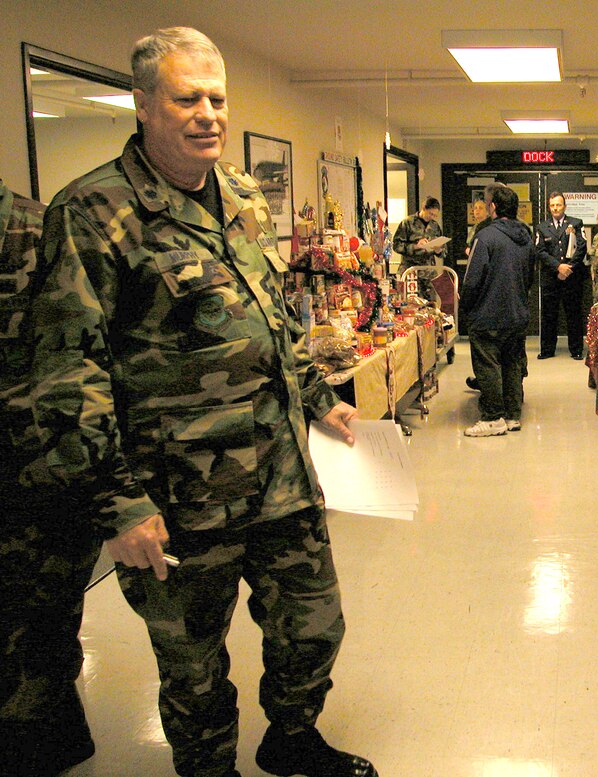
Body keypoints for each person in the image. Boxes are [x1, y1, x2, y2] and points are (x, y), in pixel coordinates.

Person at [28, 27, 376, 777]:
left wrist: (317, 397)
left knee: (314, 624)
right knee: (193, 667)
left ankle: (291, 736)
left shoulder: (243, 195)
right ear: (145, 104)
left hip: (279, 473)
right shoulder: (91, 212)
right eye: (188, 98)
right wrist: (115, 504)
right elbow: (65, 372)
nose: (209, 113)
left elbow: (273, 315)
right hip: (176, 493)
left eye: (218, 97)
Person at [0, 178, 100, 777]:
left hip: (42, 467)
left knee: (43, 616)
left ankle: (45, 740)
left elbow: (91, 354)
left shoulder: (46, 228)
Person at [460, 184, 534, 437]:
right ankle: (512, 414)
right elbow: (529, 276)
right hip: (518, 313)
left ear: (492, 207)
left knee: (488, 365)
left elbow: (472, 279)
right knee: (513, 363)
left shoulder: (486, 236)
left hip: (488, 314)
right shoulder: (526, 236)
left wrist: (466, 308)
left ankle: (493, 418)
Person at [534, 192, 587, 360]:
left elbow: (582, 247)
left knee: (574, 315)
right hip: (551, 278)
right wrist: (558, 267)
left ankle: (576, 349)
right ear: (549, 207)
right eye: (552, 205)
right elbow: (539, 251)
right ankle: (547, 350)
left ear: (564, 206)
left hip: (572, 278)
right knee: (549, 316)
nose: (555, 208)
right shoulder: (542, 227)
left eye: (558, 205)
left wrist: (568, 268)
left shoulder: (576, 223)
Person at [464, 198, 492, 392]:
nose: (476, 211)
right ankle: (483, 380)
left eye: (481, 208)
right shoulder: (475, 229)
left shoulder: (487, 231)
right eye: (474, 208)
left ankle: (488, 385)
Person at [392, 196, 446, 270]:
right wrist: (415, 246)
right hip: (410, 269)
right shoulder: (408, 222)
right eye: (430, 214)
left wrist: (438, 250)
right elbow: (396, 245)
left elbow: (444, 251)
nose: (432, 217)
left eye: (435, 215)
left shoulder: (435, 226)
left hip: (429, 271)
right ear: (423, 209)